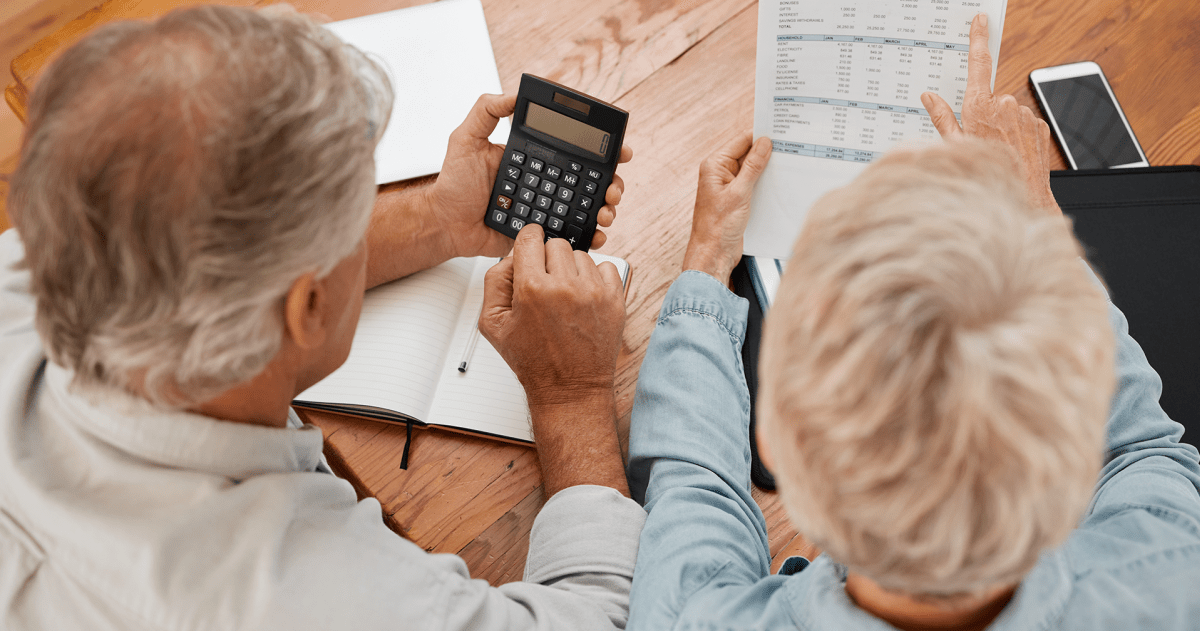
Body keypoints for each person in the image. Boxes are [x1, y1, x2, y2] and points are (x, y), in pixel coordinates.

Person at [0, 5, 640, 630]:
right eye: (354, 217)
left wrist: (441, 221)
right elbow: (607, 616)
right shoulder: (323, 600)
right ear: (306, 307)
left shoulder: (46, 253)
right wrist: (571, 398)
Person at [626, 13, 1200, 631]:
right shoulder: (1173, 574)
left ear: (772, 440)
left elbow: (693, 489)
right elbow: (1141, 450)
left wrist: (709, 259)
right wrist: (1037, 216)